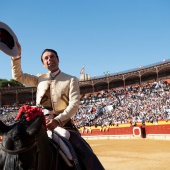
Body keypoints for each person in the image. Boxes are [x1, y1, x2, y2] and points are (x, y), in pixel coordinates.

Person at [11, 42, 105, 170]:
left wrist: (58, 120)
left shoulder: (71, 79)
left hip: (62, 122)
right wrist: (16, 57)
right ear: (43, 64)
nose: (50, 59)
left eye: (52, 56)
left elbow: (74, 104)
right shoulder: (39, 78)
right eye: (46, 58)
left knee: (84, 153)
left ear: (58, 59)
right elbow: (18, 76)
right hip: (38, 122)